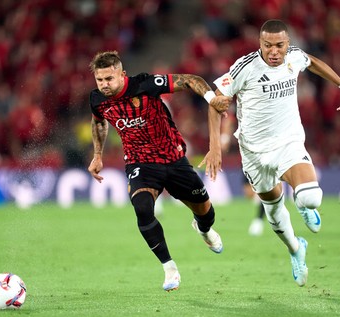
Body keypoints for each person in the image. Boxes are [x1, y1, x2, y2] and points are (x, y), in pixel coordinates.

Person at [201, 19, 340, 287]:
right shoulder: (244, 68)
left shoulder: (294, 57)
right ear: (260, 44)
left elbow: (313, 62)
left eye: (279, 45)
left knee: (311, 197)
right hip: (254, 153)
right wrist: (215, 147)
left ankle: (302, 203)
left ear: (287, 44)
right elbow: (215, 103)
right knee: (272, 211)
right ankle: (296, 249)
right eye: (267, 45)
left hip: (288, 143)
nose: (274, 52)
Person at [87, 51, 232, 292]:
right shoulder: (97, 100)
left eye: (109, 79)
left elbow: (189, 79)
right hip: (140, 163)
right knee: (142, 209)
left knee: (206, 214)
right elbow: (99, 121)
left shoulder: (145, 84)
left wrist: (210, 98)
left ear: (122, 75)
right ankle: (169, 267)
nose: (104, 85)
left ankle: (203, 229)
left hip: (173, 159)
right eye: (99, 80)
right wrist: (98, 154)